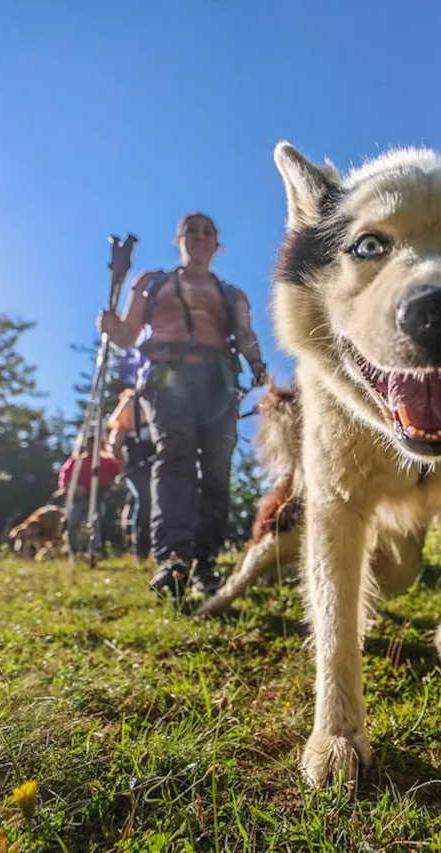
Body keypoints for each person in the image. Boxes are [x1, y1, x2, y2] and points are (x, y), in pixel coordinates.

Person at [98, 212, 268, 600]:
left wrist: (256, 363)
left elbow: (244, 333)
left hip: (218, 382)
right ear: (179, 240)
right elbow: (127, 334)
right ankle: (173, 557)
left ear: (216, 243)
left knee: (215, 470)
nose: (199, 237)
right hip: (166, 379)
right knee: (173, 455)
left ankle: (206, 563)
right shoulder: (151, 283)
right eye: (191, 231)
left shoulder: (231, 294)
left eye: (207, 231)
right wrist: (111, 327)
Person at [106, 387, 155, 563]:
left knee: (154, 501)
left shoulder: (158, 403)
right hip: (136, 465)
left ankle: (156, 546)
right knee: (144, 501)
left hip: (155, 463)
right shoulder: (130, 405)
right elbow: (115, 441)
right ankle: (140, 550)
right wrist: (123, 463)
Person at [56, 434, 122, 552]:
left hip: (98, 497)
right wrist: (75, 488)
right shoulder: (76, 461)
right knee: (72, 522)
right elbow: (64, 480)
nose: (91, 447)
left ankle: (94, 550)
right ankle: (73, 549)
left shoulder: (107, 461)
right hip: (79, 498)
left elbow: (118, 472)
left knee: (94, 522)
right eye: (89, 443)